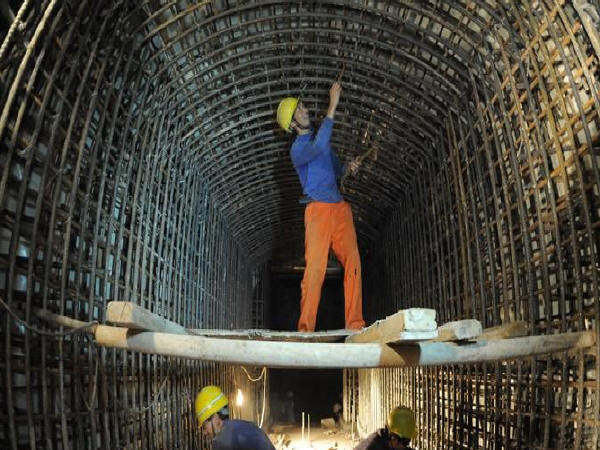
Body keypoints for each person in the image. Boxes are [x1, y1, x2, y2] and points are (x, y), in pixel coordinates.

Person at [276, 80, 365, 332]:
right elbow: (318, 147)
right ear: (293, 125)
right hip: (317, 213)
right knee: (315, 271)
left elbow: (336, 170)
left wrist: (349, 168)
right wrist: (332, 105)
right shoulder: (298, 150)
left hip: (339, 210)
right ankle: (306, 329)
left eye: (302, 106)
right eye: (299, 111)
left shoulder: (320, 143)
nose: (304, 111)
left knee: (354, 264)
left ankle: (355, 324)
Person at [195, 385, 275, 450]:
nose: (204, 432)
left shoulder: (221, 441)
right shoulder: (245, 427)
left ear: (216, 418)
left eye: (204, 426)